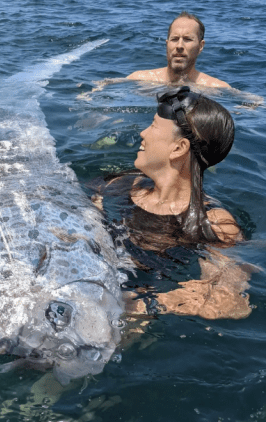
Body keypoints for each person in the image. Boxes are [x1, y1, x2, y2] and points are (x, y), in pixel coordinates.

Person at [90, 86, 251, 320]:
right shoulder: (120, 184)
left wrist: (143, 305)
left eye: (153, 126)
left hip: (131, 307)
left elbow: (227, 301)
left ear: (179, 148)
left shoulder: (215, 223)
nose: (143, 133)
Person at [127, 11, 230, 88]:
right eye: (174, 39)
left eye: (187, 39)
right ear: (167, 45)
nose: (179, 46)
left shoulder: (214, 88)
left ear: (200, 46)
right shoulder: (139, 80)